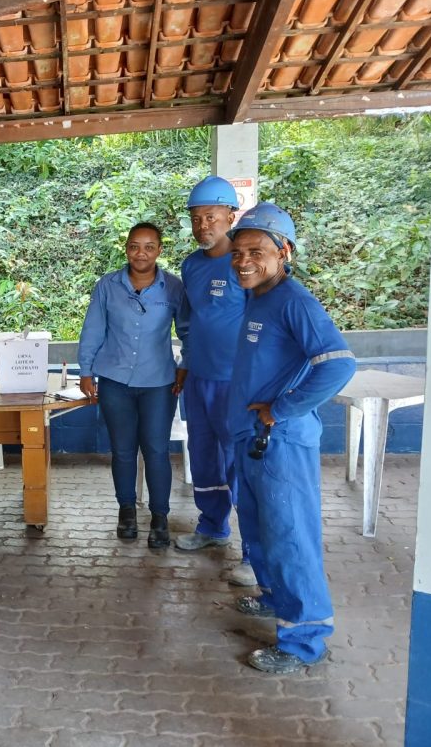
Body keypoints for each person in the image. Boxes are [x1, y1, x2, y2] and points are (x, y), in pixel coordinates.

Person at [226, 202, 355, 674]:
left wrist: (280, 408)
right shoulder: (259, 297)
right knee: (260, 530)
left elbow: (339, 364)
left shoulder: (296, 300)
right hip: (253, 439)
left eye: (256, 251)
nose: (243, 261)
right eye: (238, 252)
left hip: (281, 443)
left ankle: (305, 640)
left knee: (291, 538)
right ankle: (273, 596)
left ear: (284, 252)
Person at [77, 222, 189, 548]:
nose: (141, 253)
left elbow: (188, 331)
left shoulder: (173, 288)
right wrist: (86, 371)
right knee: (123, 451)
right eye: (134, 246)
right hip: (115, 381)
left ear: (159, 250)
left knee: (156, 450)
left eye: (149, 247)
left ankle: (159, 517)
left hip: (159, 384)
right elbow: (93, 330)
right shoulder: (107, 286)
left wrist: (186, 366)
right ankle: (126, 510)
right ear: (126, 248)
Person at [174, 176, 256, 587]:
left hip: (236, 382)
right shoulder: (191, 264)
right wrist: (186, 365)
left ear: (230, 216)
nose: (203, 224)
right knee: (204, 455)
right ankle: (212, 526)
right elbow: (189, 323)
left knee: (241, 462)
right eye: (196, 217)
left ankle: (252, 552)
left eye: (211, 216)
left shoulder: (245, 263)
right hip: (199, 378)